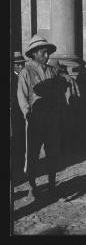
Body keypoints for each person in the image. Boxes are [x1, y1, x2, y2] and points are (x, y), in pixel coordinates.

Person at [17, 35, 64, 199]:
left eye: (48, 53)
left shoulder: (51, 71)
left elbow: (58, 93)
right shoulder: (26, 72)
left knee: (52, 152)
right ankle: (33, 186)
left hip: (51, 118)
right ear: (34, 53)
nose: (46, 56)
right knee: (33, 154)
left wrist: (57, 108)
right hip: (35, 118)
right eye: (43, 53)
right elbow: (22, 95)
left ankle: (52, 185)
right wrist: (28, 114)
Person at [11, 51, 26, 181]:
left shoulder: (24, 77)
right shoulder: (11, 78)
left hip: (23, 116)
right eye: (17, 65)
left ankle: (20, 169)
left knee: (21, 143)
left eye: (22, 64)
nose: (20, 67)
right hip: (14, 116)